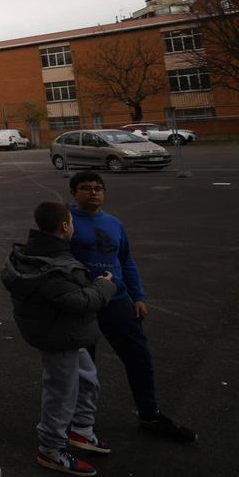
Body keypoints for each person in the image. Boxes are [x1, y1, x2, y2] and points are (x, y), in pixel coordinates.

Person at [66, 171, 196, 443]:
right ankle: (77, 422)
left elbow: (126, 261)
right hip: (83, 304)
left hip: (116, 301)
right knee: (81, 367)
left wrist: (138, 295)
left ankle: (150, 414)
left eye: (98, 188)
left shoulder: (114, 224)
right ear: (74, 193)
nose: (93, 192)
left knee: (139, 357)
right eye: (86, 188)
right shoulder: (66, 221)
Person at [2, 200, 117, 476]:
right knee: (61, 392)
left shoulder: (30, 253)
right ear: (65, 226)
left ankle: (81, 428)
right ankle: (51, 448)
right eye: (72, 222)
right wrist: (104, 286)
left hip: (62, 333)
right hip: (59, 335)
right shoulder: (57, 266)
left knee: (87, 378)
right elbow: (78, 301)